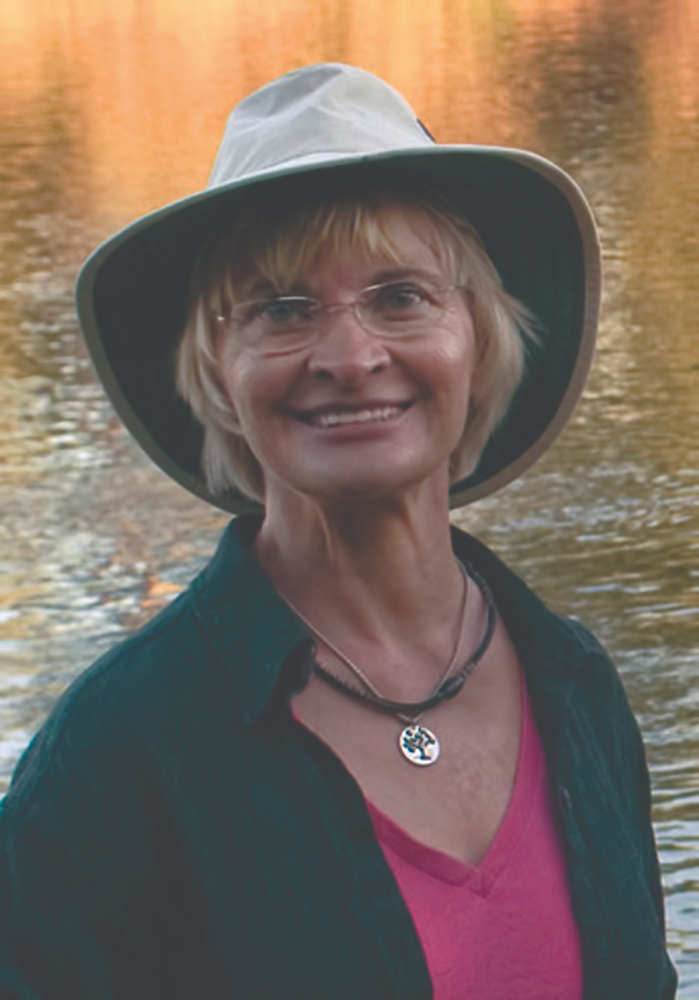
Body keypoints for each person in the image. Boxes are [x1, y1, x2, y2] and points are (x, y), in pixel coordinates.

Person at [0, 64, 676, 1000]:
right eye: (282, 309)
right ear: (217, 372)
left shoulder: (575, 684)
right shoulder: (115, 760)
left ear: (478, 338)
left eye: (400, 296)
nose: (351, 356)